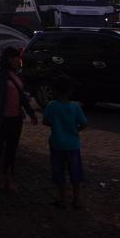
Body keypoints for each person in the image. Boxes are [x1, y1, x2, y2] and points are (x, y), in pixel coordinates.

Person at [0, 46, 37, 192]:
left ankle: (7, 180)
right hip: (2, 119)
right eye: (16, 58)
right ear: (9, 59)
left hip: (16, 119)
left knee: (11, 150)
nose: (18, 61)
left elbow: (23, 99)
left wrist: (31, 114)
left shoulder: (17, 76)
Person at [41, 74, 87, 209]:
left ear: (55, 90)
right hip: (73, 145)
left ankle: (63, 199)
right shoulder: (75, 107)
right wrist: (74, 130)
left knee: (59, 172)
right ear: (71, 91)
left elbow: (45, 121)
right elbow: (84, 123)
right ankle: (77, 199)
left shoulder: (52, 106)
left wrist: (56, 125)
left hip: (56, 144)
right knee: (75, 172)